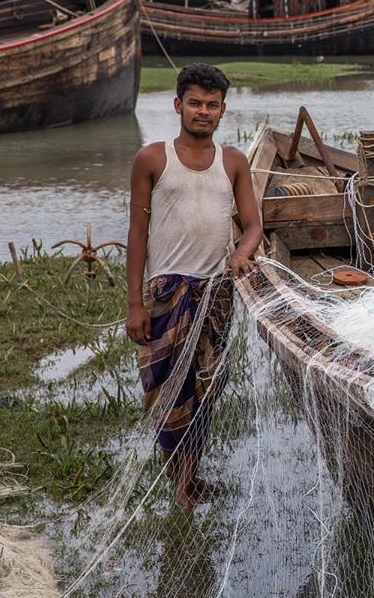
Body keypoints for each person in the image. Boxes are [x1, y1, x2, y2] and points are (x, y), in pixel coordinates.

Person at [125, 63, 263, 510]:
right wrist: (134, 304)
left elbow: (253, 226)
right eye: (195, 103)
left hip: (216, 293)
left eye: (212, 105)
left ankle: (190, 476)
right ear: (178, 105)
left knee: (206, 389)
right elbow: (137, 235)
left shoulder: (234, 162)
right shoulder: (152, 158)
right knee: (171, 387)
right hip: (167, 291)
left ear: (223, 111)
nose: (203, 112)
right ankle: (179, 482)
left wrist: (241, 253)